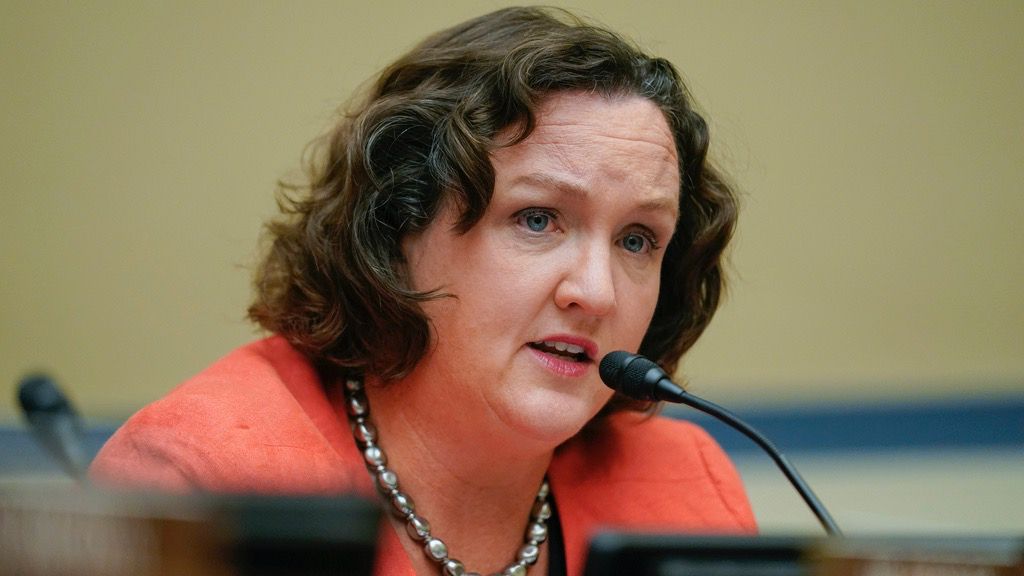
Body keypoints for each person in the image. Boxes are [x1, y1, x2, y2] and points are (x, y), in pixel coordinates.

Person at [90, 6, 756, 576]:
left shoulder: (683, 492)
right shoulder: (204, 482)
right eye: (536, 218)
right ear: (398, 226)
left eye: (638, 240)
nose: (596, 292)